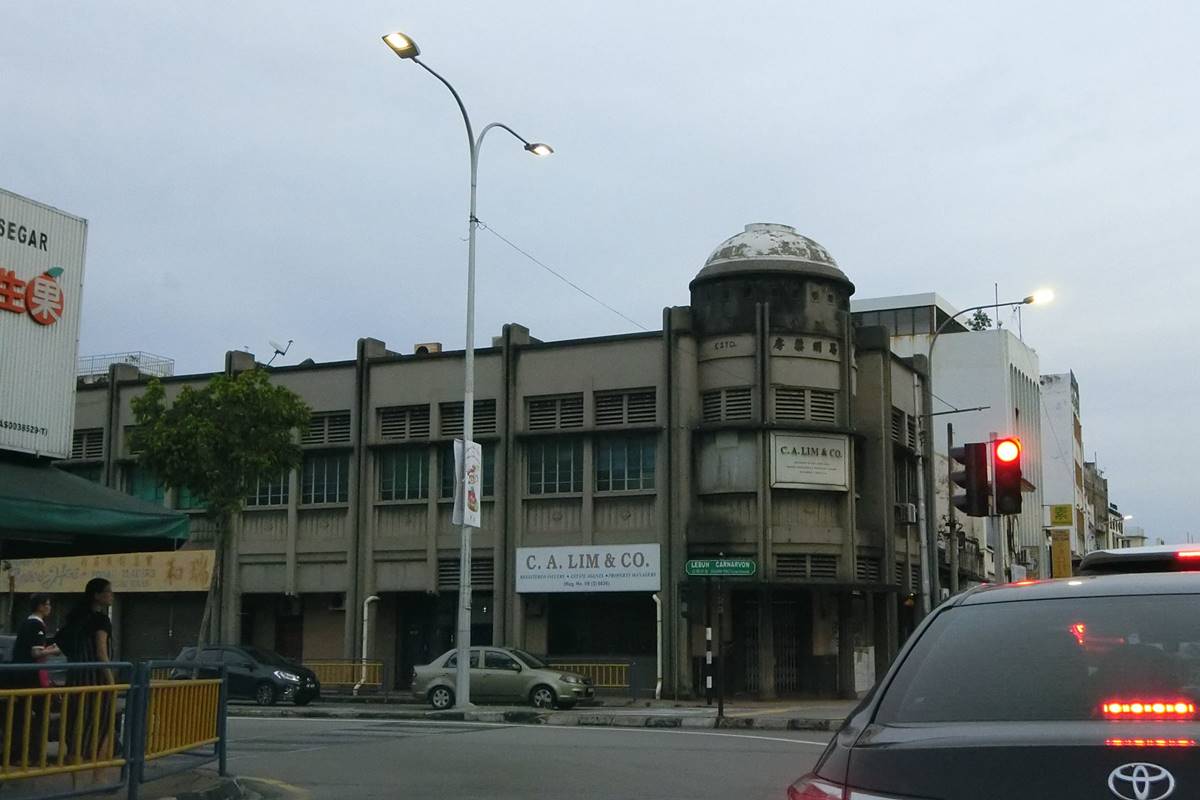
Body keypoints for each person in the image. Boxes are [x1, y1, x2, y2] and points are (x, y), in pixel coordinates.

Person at [57, 578, 116, 764]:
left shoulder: (76, 620)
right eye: (108, 591)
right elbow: (102, 653)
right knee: (99, 726)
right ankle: (97, 775)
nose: (111, 595)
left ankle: (75, 772)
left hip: (75, 680)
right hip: (95, 682)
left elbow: (62, 643)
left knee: (75, 727)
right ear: (97, 595)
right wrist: (112, 682)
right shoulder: (100, 620)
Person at [7, 595, 61, 764]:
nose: (49, 607)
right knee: (41, 715)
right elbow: (36, 652)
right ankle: (35, 754)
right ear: (40, 606)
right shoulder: (37, 625)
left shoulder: (26, 623)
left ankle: (18, 754)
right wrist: (54, 651)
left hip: (21, 676)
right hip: (32, 677)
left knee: (21, 716)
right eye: (47, 604)